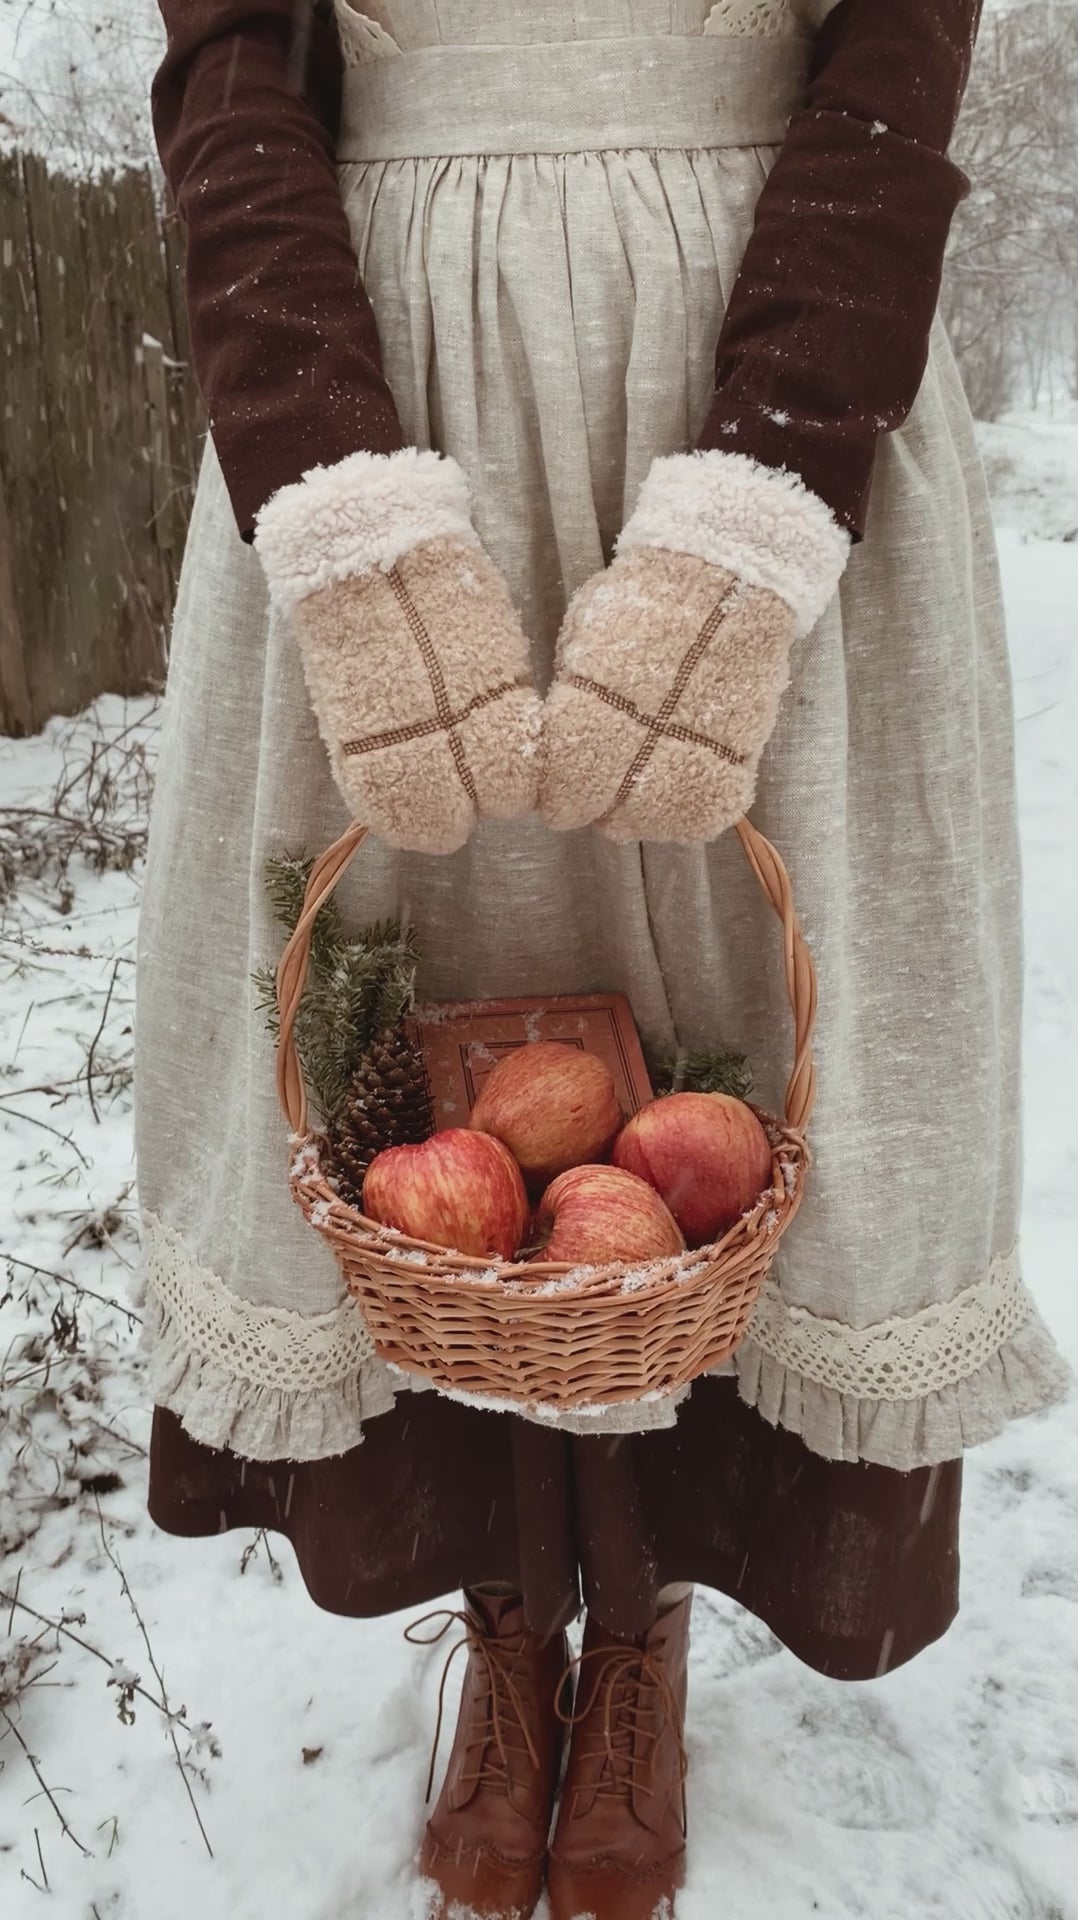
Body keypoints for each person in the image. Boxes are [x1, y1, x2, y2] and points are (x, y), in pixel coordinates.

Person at [136, 3, 1070, 1916]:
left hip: (759, 359)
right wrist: (332, 492)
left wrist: (760, 511)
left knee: (747, 1045)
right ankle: (504, 1620)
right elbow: (226, 60)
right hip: (386, 384)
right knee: (402, 1046)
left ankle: (634, 1632)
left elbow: (898, 59)